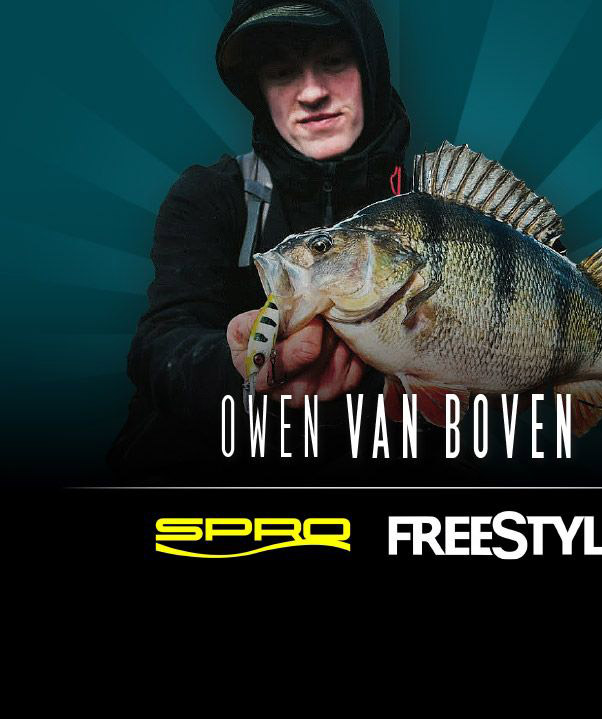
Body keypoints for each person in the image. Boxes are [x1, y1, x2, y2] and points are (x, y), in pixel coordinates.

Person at [109, 0, 411, 474]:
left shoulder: (429, 208)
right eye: (282, 71)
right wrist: (233, 369)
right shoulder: (212, 195)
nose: (311, 92)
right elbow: (158, 346)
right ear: (259, 90)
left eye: (334, 62)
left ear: (371, 69)